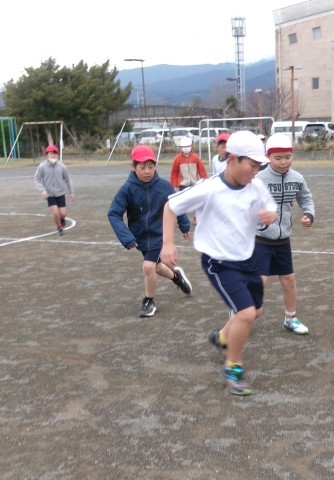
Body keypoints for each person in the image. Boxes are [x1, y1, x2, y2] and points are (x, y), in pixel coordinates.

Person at [160, 131, 277, 396]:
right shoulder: (209, 188)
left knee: (255, 312)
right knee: (245, 313)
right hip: (219, 262)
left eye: (259, 166)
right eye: (252, 165)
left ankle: (222, 338)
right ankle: (233, 368)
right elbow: (170, 207)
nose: (256, 172)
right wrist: (168, 244)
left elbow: (270, 208)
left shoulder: (256, 186)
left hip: (248, 257)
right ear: (233, 159)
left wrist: (270, 215)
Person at [107, 145, 193, 318]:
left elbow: (176, 205)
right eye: (142, 167)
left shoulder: (164, 186)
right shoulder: (127, 189)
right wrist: (127, 237)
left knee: (148, 267)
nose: (147, 171)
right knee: (157, 267)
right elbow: (114, 213)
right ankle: (176, 277)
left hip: (159, 233)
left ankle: (148, 301)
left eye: (151, 166)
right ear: (133, 167)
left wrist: (184, 225)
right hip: (140, 236)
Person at [251, 133, 315, 335]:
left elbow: (306, 198)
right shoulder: (258, 179)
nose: (283, 162)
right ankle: (242, 311)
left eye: (287, 157)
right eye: (277, 158)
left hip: (283, 240)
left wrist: (309, 214)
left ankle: (290, 318)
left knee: (289, 279)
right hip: (260, 239)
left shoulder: (297, 178)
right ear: (268, 157)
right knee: (260, 281)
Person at [34, 145, 75, 236]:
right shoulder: (42, 167)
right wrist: (43, 191)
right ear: (47, 155)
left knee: (63, 213)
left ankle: (62, 218)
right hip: (49, 195)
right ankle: (59, 227)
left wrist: (71, 192)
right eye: (51, 154)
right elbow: (37, 180)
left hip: (60, 194)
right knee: (55, 213)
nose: (54, 156)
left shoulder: (62, 167)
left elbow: (68, 180)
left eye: (55, 154)